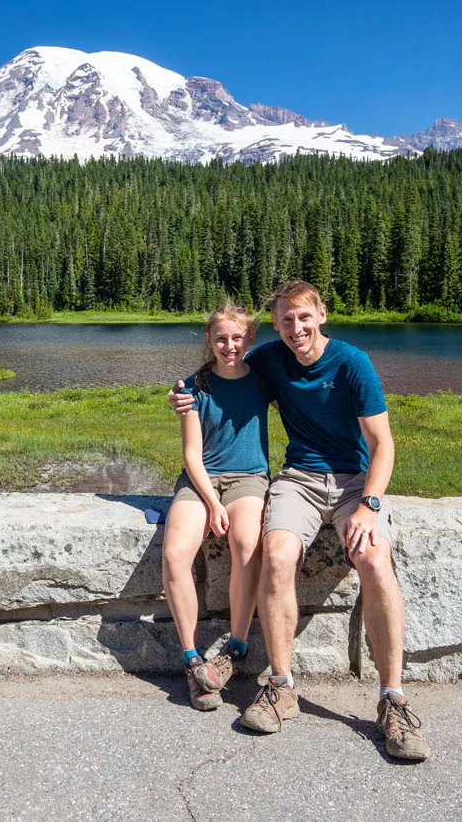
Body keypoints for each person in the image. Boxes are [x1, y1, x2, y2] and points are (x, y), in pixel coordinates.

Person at [169, 280, 430, 761]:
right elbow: (224, 366)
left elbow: (383, 445)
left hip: (355, 482)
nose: (296, 328)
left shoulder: (353, 363)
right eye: (286, 320)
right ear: (276, 325)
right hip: (298, 479)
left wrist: (371, 503)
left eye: (303, 318)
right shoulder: (271, 358)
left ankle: (393, 698)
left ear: (322, 316)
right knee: (278, 553)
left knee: (374, 561)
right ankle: (282, 686)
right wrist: (183, 394)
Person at [162, 302, 270, 712]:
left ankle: (235, 648)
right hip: (201, 479)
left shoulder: (263, 379)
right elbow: (192, 454)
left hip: (249, 479)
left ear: (249, 340)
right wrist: (211, 501)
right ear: (209, 341)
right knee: (175, 555)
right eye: (221, 338)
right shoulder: (193, 387)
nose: (229, 345)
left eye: (237, 338)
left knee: (246, 544)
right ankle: (192, 660)